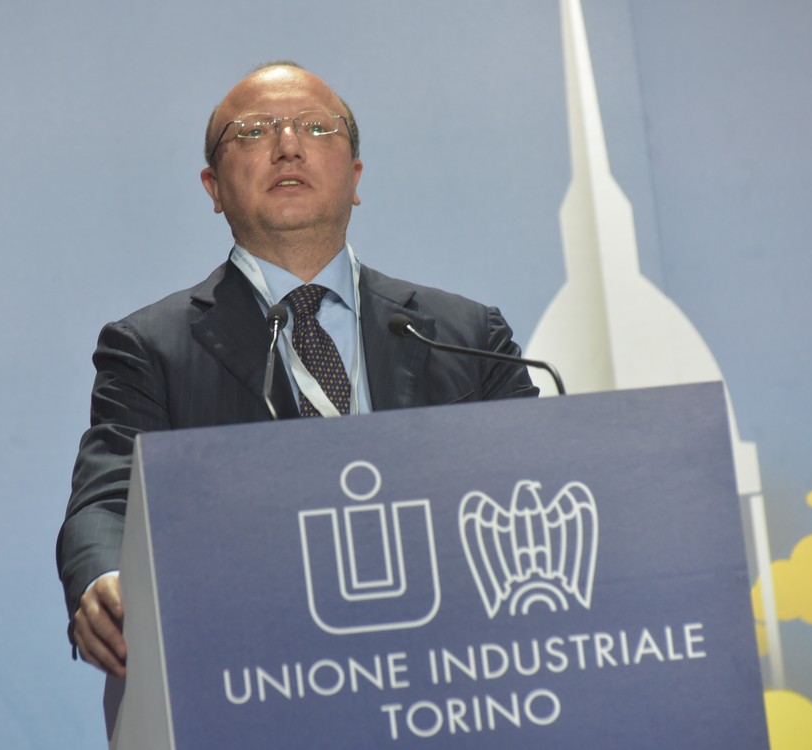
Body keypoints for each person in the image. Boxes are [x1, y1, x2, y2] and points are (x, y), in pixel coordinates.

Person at [56, 61, 538, 678]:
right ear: (213, 187)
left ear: (355, 177)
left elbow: (536, 488)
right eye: (253, 132)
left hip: (455, 663)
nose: (288, 146)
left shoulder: (467, 337)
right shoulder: (151, 348)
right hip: (255, 667)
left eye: (316, 127)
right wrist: (103, 576)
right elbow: (108, 499)